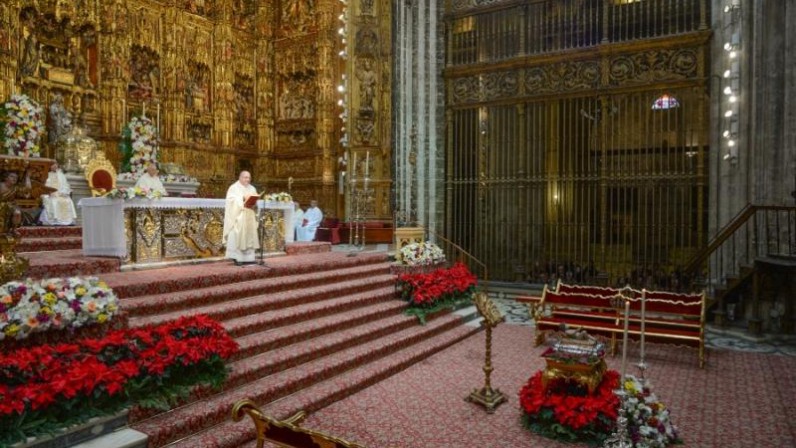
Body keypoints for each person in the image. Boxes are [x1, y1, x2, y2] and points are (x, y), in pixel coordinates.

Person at [223, 171, 259, 265]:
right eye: (245, 177)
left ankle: (249, 258)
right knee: (237, 234)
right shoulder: (234, 188)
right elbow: (230, 201)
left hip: (250, 215)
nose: (247, 180)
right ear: (240, 177)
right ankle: (237, 257)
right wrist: (242, 199)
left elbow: (254, 201)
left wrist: (254, 203)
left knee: (249, 235)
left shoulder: (252, 188)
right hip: (239, 216)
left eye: (249, 178)